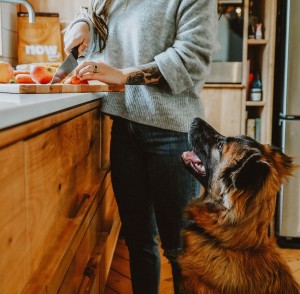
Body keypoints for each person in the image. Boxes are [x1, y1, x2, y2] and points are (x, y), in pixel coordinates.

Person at [64, 0, 218, 293]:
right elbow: (91, 17)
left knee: (180, 251)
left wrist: (124, 76)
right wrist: (80, 26)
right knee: (138, 244)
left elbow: (191, 59)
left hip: (173, 138)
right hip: (123, 130)